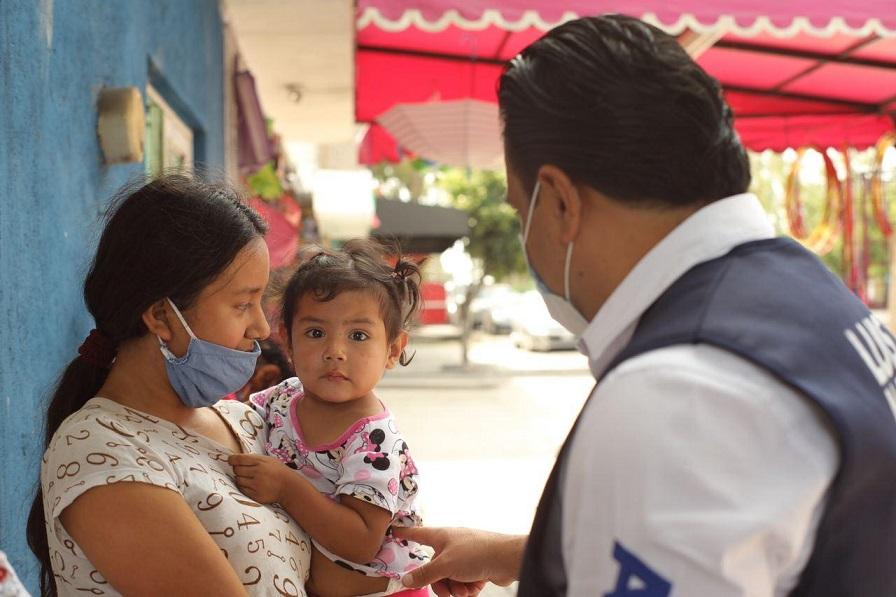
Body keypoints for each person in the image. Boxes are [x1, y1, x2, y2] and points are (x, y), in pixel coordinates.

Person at [396, 14, 896, 597]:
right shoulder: (811, 295)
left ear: (559, 203)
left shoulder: (680, 393)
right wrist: (520, 555)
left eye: (518, 210)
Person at [26, 174, 311, 596]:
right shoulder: (101, 449)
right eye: (242, 304)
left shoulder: (248, 423)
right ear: (161, 316)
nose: (260, 327)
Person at [229, 241, 436, 597]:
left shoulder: (374, 440)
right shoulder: (282, 398)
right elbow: (234, 425)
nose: (335, 352)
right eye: (315, 333)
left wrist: (287, 488)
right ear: (288, 342)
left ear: (392, 349)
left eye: (358, 336)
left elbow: (360, 542)